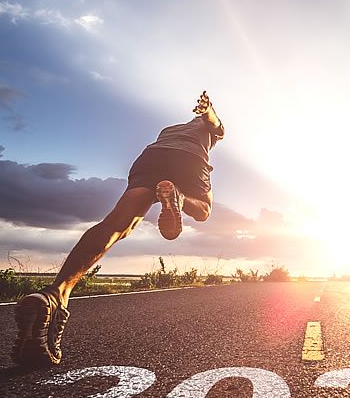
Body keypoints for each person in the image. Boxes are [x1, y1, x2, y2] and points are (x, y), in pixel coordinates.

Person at [12, 91, 225, 367]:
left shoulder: (167, 130)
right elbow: (215, 123)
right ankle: (180, 198)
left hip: (152, 156)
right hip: (189, 159)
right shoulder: (208, 133)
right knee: (205, 210)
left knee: (116, 226)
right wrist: (208, 111)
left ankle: (55, 293)